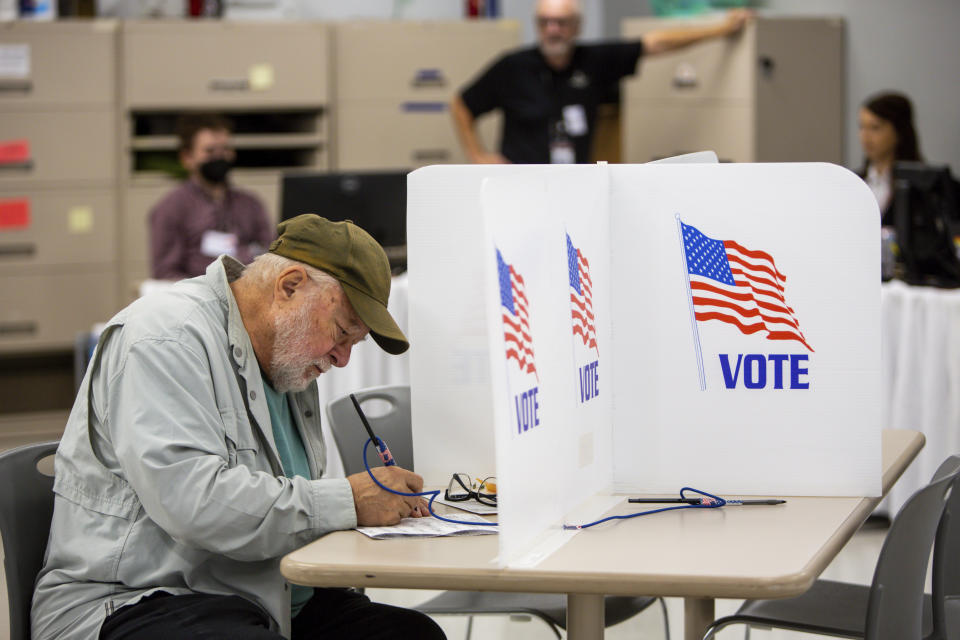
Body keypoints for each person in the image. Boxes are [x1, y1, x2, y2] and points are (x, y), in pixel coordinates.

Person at [32, 215, 445, 640]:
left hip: (259, 591)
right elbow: (193, 503)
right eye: (341, 333)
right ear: (289, 286)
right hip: (141, 596)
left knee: (412, 635)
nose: (342, 360)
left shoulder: (287, 359)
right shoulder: (164, 337)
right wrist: (348, 501)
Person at [451, 0, 752, 165]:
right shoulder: (512, 67)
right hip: (518, 185)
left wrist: (720, 30)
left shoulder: (594, 61)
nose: (553, 30)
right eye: (545, 22)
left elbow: (656, 43)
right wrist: (478, 156)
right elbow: (461, 104)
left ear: (578, 26)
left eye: (561, 22)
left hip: (576, 183)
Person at [149, 113, 274, 280]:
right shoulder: (171, 208)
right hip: (198, 299)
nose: (219, 156)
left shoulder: (251, 204)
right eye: (210, 151)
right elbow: (165, 273)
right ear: (187, 158)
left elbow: (271, 257)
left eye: (225, 149)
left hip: (249, 294)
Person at [857, 92, 924, 224]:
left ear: (898, 131)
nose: (865, 136)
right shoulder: (854, 183)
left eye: (875, 128)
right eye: (862, 127)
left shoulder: (921, 188)